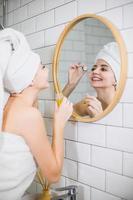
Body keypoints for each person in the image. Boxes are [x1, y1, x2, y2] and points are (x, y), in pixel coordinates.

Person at [0, 28, 73, 200]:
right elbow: (53, 175)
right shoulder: (28, 115)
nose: (47, 70)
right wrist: (59, 124)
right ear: (30, 79)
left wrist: (70, 85)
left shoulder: (10, 103)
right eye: (42, 67)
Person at [63, 42, 120, 117]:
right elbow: (61, 114)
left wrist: (99, 117)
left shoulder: (123, 107)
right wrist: (71, 84)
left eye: (103, 69)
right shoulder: (90, 103)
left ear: (117, 78)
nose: (95, 71)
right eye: (94, 68)